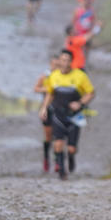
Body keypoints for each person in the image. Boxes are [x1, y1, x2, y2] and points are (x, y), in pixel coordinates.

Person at [39, 48, 95, 180]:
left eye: (67, 60)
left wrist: (80, 103)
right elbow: (50, 94)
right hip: (58, 114)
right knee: (58, 144)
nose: (65, 63)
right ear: (59, 61)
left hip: (75, 115)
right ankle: (62, 172)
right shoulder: (53, 76)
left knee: (71, 148)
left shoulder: (80, 76)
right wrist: (44, 108)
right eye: (62, 60)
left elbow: (91, 93)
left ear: (71, 62)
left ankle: (71, 157)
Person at [33, 55, 58, 173]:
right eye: (54, 64)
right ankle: (46, 158)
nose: (55, 67)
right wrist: (47, 89)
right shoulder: (45, 76)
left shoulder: (62, 77)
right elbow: (36, 88)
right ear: (50, 64)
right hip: (46, 108)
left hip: (59, 108)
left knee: (59, 135)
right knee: (48, 135)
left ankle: (58, 160)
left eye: (57, 65)